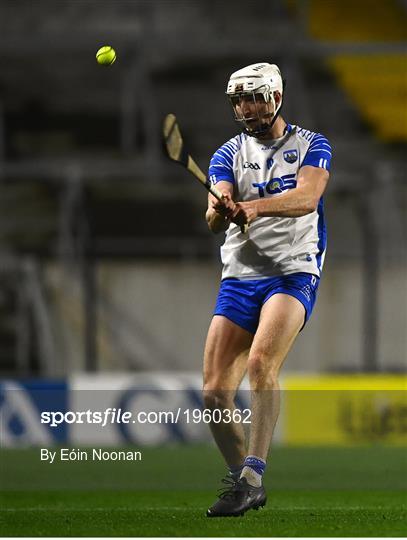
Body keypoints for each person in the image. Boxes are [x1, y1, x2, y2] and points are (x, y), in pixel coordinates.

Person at [203, 62, 332, 517]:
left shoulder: (312, 145)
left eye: (254, 97)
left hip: (293, 271)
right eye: (239, 99)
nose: (246, 107)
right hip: (240, 275)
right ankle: (245, 482)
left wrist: (253, 207)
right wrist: (222, 208)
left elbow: (306, 199)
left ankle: (255, 472)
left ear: (276, 97)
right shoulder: (227, 153)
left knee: (260, 362)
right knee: (214, 393)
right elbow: (213, 216)